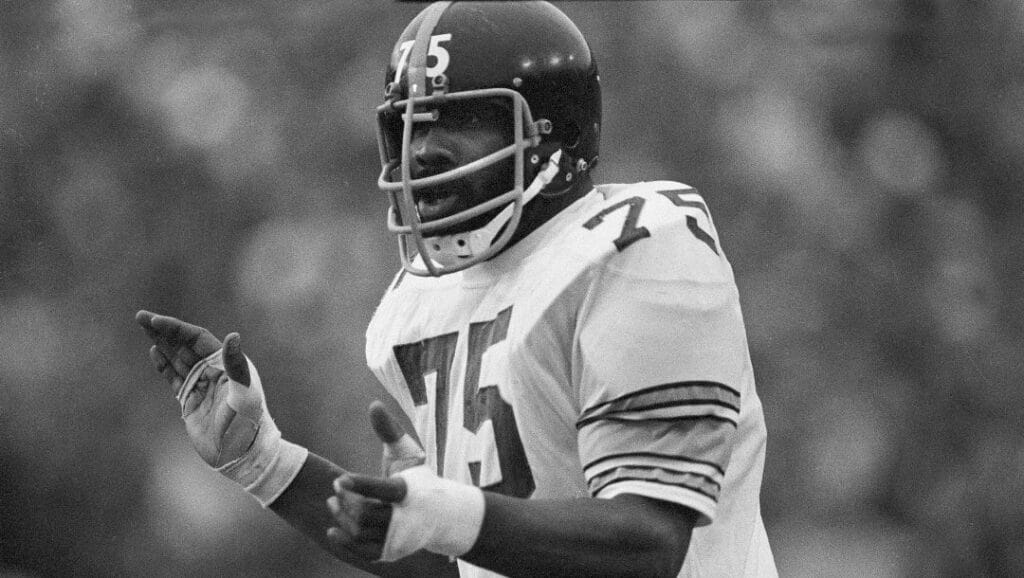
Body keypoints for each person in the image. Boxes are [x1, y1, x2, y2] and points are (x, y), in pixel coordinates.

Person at [136, 2, 777, 576]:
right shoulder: (423, 301)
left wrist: (448, 517)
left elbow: (648, 541)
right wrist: (265, 462)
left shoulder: (637, 248)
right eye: (411, 128)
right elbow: (470, 562)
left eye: (461, 120)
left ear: (564, 136)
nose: (423, 154)